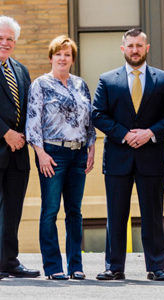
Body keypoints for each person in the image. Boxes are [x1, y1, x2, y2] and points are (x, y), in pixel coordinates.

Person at [92, 28, 164, 281]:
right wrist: (125, 134)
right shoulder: (107, 80)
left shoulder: (163, 79)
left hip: (151, 156)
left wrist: (149, 133)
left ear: (147, 48)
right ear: (123, 49)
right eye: (130, 46)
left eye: (139, 46)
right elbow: (97, 113)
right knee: (116, 214)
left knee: (153, 215)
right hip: (118, 157)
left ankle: (156, 267)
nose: (134, 50)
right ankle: (114, 267)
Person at [25, 35, 96, 280]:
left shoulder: (80, 84)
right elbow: (32, 122)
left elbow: (89, 120)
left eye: (67, 54)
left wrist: (91, 148)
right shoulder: (40, 84)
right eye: (58, 54)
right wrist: (41, 154)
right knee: (50, 210)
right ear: (51, 57)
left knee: (74, 211)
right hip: (52, 154)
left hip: (78, 153)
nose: (63, 58)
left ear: (72, 59)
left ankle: (76, 266)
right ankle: (54, 267)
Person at [0, 16, 40, 279]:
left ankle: (9, 262)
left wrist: (23, 135)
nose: (5, 43)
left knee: (13, 209)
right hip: (3, 144)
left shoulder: (22, 70)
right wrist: (5, 133)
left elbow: (29, 109)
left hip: (18, 153)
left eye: (9, 39)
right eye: (1, 39)